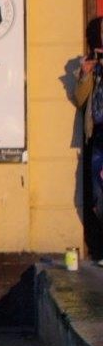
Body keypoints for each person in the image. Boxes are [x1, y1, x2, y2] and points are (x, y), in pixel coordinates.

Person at [71, 17, 103, 264]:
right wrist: (85, 73)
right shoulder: (94, 64)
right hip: (98, 135)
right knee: (96, 195)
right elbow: (81, 100)